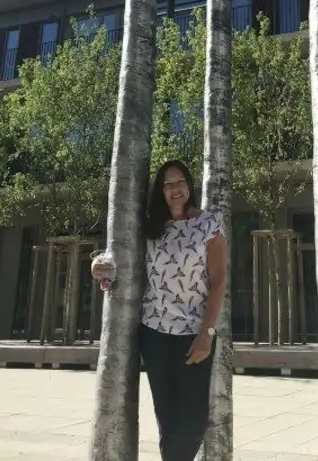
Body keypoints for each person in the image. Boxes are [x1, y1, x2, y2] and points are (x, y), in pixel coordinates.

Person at [91, 160, 227, 461]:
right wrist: (96, 263)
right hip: (154, 335)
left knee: (192, 422)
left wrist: (207, 333)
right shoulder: (152, 227)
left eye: (180, 182)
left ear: (189, 186)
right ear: (161, 191)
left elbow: (218, 282)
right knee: (168, 422)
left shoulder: (208, 225)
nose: (175, 189)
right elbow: (118, 256)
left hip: (194, 336)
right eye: (168, 184)